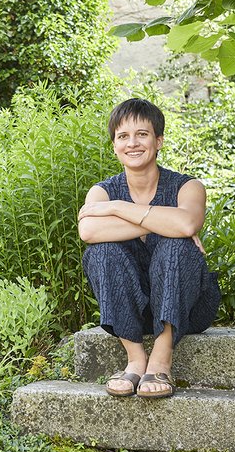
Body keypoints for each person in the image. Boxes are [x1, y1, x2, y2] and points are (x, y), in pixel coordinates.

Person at [78, 98, 220, 398]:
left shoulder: (187, 186)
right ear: (114, 146)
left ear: (158, 141)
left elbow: (187, 224)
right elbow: (89, 231)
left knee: (177, 246)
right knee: (101, 251)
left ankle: (161, 359)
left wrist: (117, 209)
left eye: (142, 134)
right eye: (123, 136)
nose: (132, 143)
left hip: (188, 307)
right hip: (131, 309)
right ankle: (135, 358)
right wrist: (165, 222)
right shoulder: (102, 191)